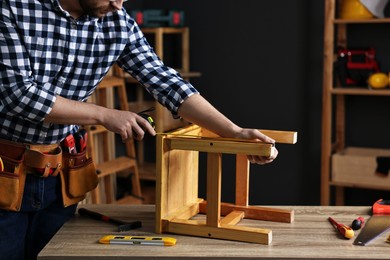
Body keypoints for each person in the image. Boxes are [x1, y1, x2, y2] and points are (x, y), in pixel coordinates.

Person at [0, 0, 278, 259]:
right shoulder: (12, 9)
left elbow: (166, 81)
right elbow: (17, 94)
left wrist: (232, 131)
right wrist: (104, 114)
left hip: (61, 176)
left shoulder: (117, 21)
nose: (119, 5)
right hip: (5, 170)